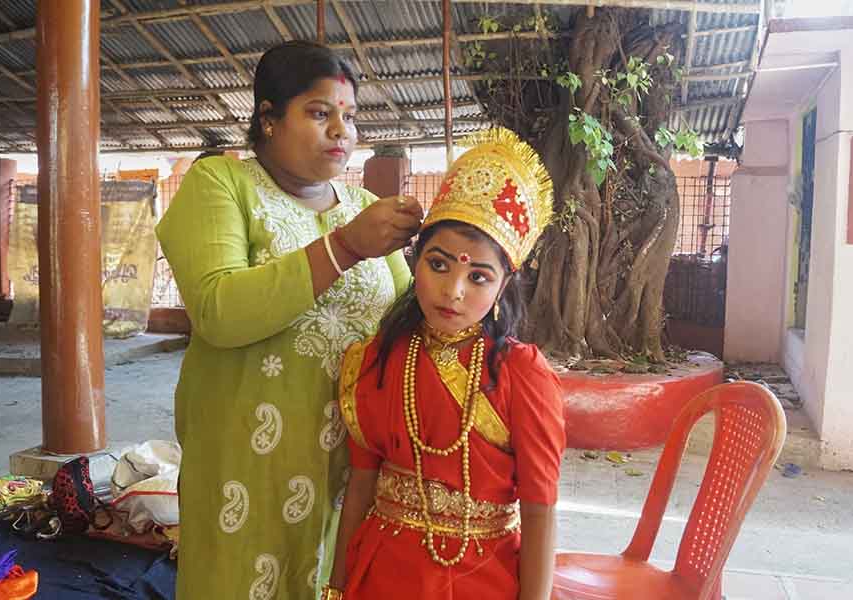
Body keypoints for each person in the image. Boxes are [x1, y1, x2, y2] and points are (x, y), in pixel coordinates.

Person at [155, 41, 423, 600]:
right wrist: (346, 248)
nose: (341, 132)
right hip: (244, 461)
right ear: (269, 119)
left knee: (332, 578)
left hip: (353, 467)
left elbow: (409, 323)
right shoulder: (221, 185)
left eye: (349, 117)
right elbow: (218, 310)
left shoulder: (361, 207)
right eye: (319, 112)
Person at [325, 128, 566, 600]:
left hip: (485, 577)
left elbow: (540, 509)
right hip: (382, 575)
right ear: (415, 265)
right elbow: (361, 485)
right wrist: (336, 587)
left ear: (502, 289)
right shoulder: (375, 358)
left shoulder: (523, 375)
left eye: (478, 276)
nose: (453, 290)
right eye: (438, 265)